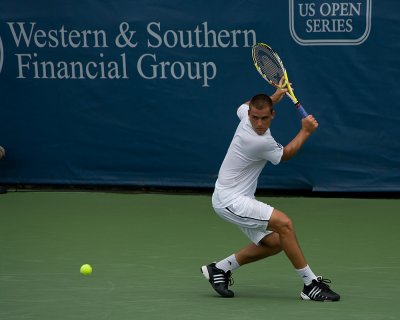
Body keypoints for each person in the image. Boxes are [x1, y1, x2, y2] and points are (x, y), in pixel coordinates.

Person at [200, 87, 340, 302]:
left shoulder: (244, 113)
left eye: (264, 118)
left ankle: (220, 269)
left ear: (272, 114)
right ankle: (310, 285)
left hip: (238, 197)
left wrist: (273, 97)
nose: (258, 124)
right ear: (249, 116)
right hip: (230, 200)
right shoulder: (259, 141)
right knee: (284, 224)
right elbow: (285, 155)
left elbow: (244, 104)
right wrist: (305, 132)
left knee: (275, 243)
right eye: (255, 118)